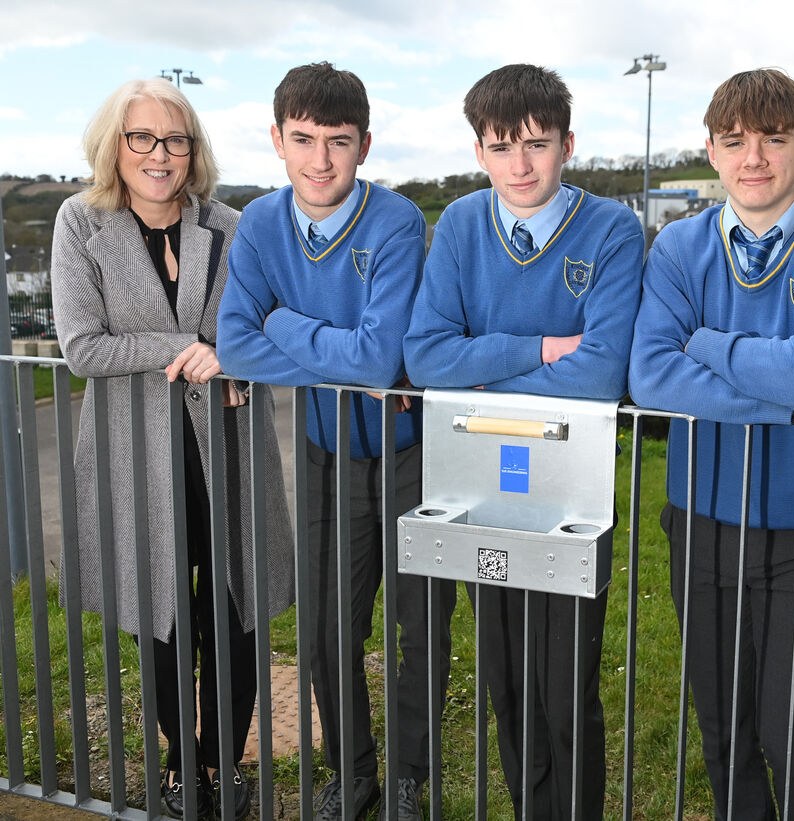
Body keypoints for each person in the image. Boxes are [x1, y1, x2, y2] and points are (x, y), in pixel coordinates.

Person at [628, 68, 794, 820]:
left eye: (775, 138)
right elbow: (650, 376)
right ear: (710, 150)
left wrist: (704, 341)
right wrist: (789, 402)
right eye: (735, 140)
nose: (756, 158)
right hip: (702, 519)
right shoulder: (677, 247)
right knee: (723, 731)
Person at [216, 62, 456, 821]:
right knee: (326, 630)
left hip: (417, 455)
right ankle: (351, 773)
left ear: (365, 145)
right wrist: (324, 346)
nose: (321, 161)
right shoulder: (258, 223)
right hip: (326, 455)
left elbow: (380, 359)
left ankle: (411, 777)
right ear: (279, 141)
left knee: (420, 628)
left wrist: (280, 321)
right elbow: (234, 344)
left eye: (339, 142)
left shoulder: (394, 220)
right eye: (304, 140)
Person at [404, 63, 643, 820]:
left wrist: (481, 388)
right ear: (479, 150)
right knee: (505, 682)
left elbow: (602, 371)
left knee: (565, 686)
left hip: (571, 490)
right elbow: (426, 356)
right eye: (501, 148)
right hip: (485, 485)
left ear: (568, 144)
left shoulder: (611, 230)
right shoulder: (463, 225)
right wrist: (542, 348)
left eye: (536, 144)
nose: (520, 165)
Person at [51, 77, 294, 821]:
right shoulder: (78, 222)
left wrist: (229, 353)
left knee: (234, 610)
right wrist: (192, 346)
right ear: (114, 147)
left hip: (228, 447)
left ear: (195, 148)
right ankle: (180, 761)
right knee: (159, 614)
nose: (161, 154)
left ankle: (224, 762)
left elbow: (272, 321)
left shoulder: (235, 222)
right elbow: (83, 347)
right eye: (143, 138)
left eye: (176, 138)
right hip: (136, 454)